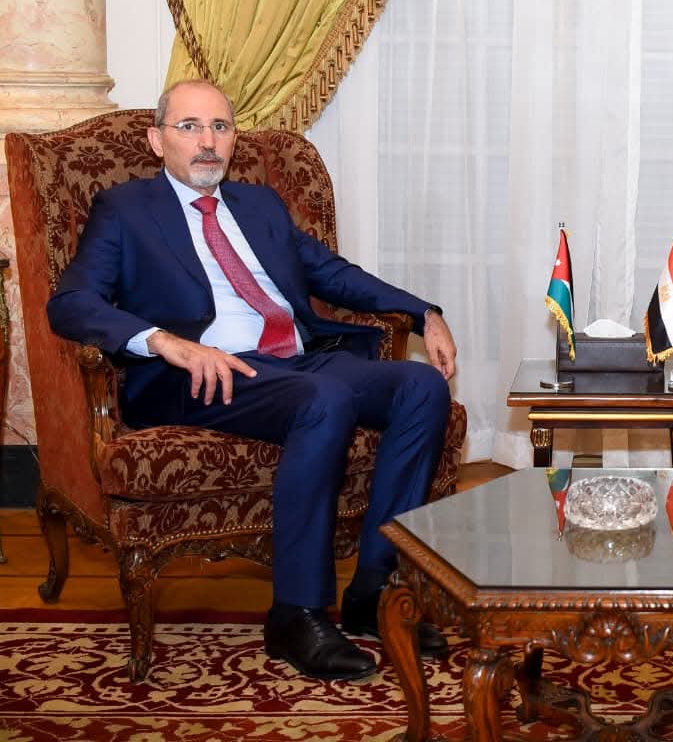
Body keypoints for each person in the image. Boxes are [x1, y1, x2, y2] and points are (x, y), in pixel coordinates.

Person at [47, 79, 458, 682]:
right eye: (190, 127)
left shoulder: (259, 205)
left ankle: (375, 589)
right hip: (202, 373)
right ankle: (296, 611)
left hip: (295, 361)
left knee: (421, 387)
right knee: (325, 399)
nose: (207, 142)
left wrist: (424, 312)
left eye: (220, 127)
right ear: (157, 140)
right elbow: (71, 301)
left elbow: (332, 274)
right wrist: (162, 340)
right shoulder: (125, 209)